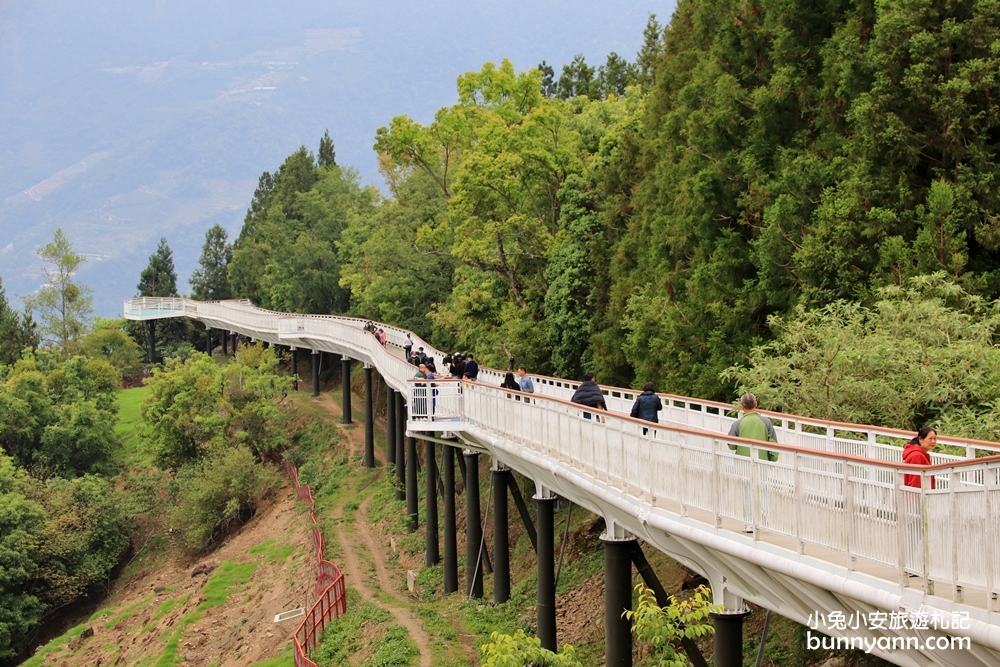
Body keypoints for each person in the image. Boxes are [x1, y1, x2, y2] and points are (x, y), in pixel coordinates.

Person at [726, 393, 778, 533]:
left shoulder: (738, 423)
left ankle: (749, 524)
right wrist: (772, 459)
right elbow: (773, 443)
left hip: (743, 462)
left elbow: (731, 445)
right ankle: (763, 520)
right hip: (762, 461)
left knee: (746, 491)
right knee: (763, 489)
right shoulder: (766, 422)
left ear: (742, 407)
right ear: (756, 404)